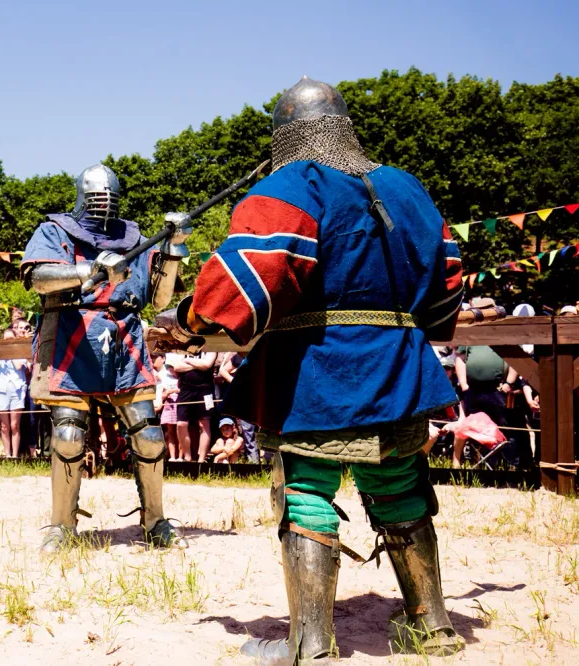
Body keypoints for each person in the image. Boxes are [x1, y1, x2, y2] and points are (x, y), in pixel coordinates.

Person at [157, 77, 465, 660]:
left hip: (320, 372)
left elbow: (250, 282)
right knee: (399, 485)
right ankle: (433, 626)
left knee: (304, 494)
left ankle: (310, 644)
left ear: (286, 136)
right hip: (401, 367)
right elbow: (447, 281)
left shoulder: (292, 186)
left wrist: (187, 318)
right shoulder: (406, 188)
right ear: (343, 127)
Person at [22, 163, 189, 550]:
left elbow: (159, 298)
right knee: (67, 435)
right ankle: (61, 526)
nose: (104, 203)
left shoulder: (135, 240)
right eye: (97, 197)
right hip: (71, 332)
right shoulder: (55, 232)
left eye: (109, 197)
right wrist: (89, 270)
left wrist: (172, 250)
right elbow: (38, 278)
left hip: (124, 335)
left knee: (148, 436)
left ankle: (156, 521)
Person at [170, 351, 217, 462]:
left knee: (204, 424)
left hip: (205, 390)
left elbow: (207, 365)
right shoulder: (184, 347)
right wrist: (198, 365)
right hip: (185, 390)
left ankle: (201, 460)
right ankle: (187, 458)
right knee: (181, 424)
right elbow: (176, 367)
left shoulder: (210, 346)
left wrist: (187, 360)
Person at [0, 329, 28, 458]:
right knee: (4, 426)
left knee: (15, 425)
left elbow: (19, 366)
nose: (8, 341)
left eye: (10, 339)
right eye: (6, 339)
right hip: (2, 390)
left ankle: (15, 455)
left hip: (17, 389)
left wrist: (11, 351)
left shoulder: (20, 351)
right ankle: (7, 454)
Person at [152, 354, 180, 461]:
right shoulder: (154, 373)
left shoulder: (168, 374)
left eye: (156, 357)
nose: (153, 360)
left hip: (169, 405)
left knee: (173, 431)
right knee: (164, 432)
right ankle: (166, 455)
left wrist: (168, 393)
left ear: (163, 358)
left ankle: (176, 456)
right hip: (159, 405)